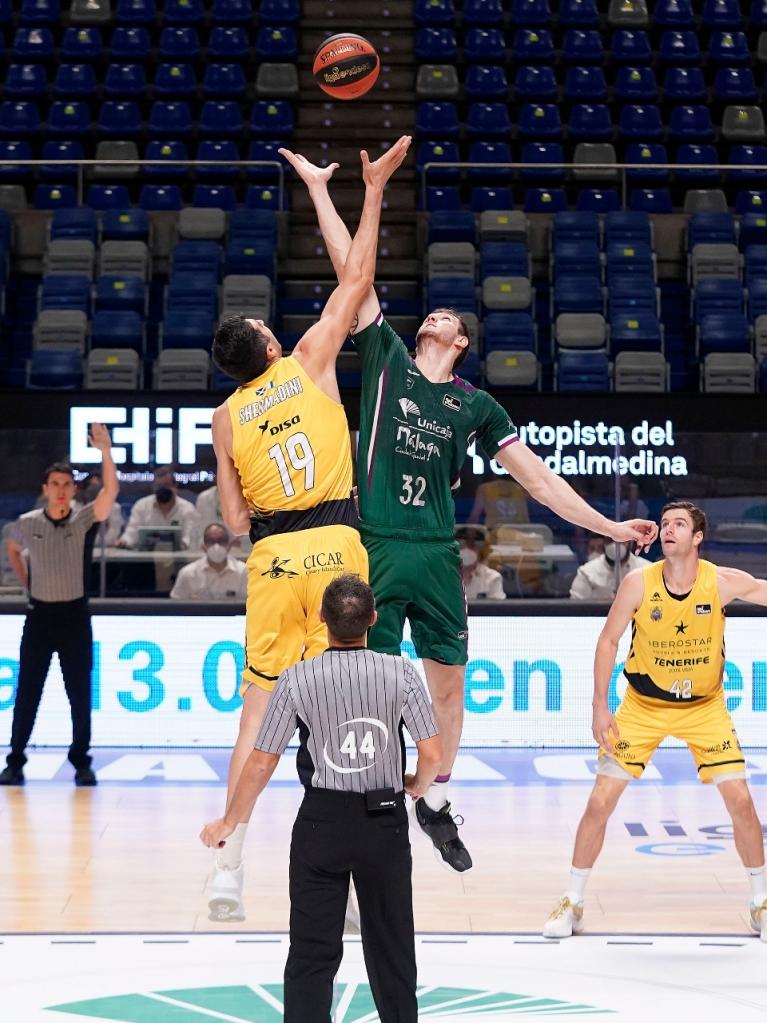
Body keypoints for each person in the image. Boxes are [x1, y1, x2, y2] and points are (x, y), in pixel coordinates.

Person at [284, 146, 659, 872]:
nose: (435, 314)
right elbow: (349, 269)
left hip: (432, 550)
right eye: (432, 310)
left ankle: (431, 797)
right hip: (376, 542)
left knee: (447, 682)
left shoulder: (474, 404)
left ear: (458, 344)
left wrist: (610, 527)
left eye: (447, 316)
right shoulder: (387, 358)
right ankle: (375, 800)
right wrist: (333, 192)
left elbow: (542, 482)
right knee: (372, 681)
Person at [205, 136, 412, 920]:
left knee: (256, 715)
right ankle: (360, 878)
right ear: (264, 344)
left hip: (272, 557)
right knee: (352, 706)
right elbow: (355, 278)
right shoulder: (307, 358)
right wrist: (367, 188)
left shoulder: (225, 418)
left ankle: (227, 864)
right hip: (335, 545)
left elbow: (229, 518)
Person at [200, 575, 442, 1023]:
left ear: (320, 620)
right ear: (373, 619)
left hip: (321, 822)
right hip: (383, 820)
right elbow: (433, 751)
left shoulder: (295, 678)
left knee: (312, 952)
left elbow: (261, 762)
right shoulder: (401, 672)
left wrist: (229, 821)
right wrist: (417, 784)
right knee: (392, 949)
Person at [543, 501, 767, 942]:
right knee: (600, 802)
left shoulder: (721, 582)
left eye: (679, 524)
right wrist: (599, 707)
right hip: (642, 707)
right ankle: (573, 900)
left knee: (741, 802)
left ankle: (760, 902)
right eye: (665, 523)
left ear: (697, 537)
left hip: (705, 707)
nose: (669, 530)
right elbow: (608, 642)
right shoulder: (638, 583)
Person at [0, 425, 119, 787]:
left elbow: (111, 492)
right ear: (45, 489)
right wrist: (28, 584)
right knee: (29, 691)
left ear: (74, 489)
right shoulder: (26, 523)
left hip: (74, 617)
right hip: (39, 617)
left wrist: (106, 451)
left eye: (67, 484)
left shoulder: (84, 520)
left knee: (79, 692)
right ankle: (16, 761)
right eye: (55, 484)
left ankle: (81, 761)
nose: (61, 490)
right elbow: (13, 549)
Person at [116, 464, 199, 550]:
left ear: (175, 487)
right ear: (153, 488)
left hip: (180, 560)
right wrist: (124, 541)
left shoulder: (187, 509)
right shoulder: (141, 506)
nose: (163, 490)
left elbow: (190, 537)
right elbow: (131, 534)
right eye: (159, 486)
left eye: (166, 485)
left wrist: (182, 545)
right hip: (146, 560)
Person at [169, 522, 247, 601]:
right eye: (211, 541)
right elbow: (176, 606)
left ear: (229, 544)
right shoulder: (187, 573)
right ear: (203, 546)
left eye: (221, 540)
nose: (216, 546)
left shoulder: (244, 572)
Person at [569, 540, 653, 601]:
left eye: (621, 539)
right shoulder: (586, 573)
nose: (615, 544)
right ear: (604, 543)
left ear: (630, 542)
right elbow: (574, 609)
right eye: (610, 540)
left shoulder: (648, 570)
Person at [457, 526, 505, 600]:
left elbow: (497, 610)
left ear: (482, 549)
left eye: (475, 542)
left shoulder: (492, 578)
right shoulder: (439, 577)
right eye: (463, 542)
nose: (468, 548)